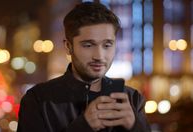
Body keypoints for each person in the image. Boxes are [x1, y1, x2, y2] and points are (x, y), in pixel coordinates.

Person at [17, 2, 150, 132]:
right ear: (68, 47)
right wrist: (83, 126)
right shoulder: (37, 100)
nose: (99, 56)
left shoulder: (133, 99)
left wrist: (135, 126)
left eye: (107, 45)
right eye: (88, 45)